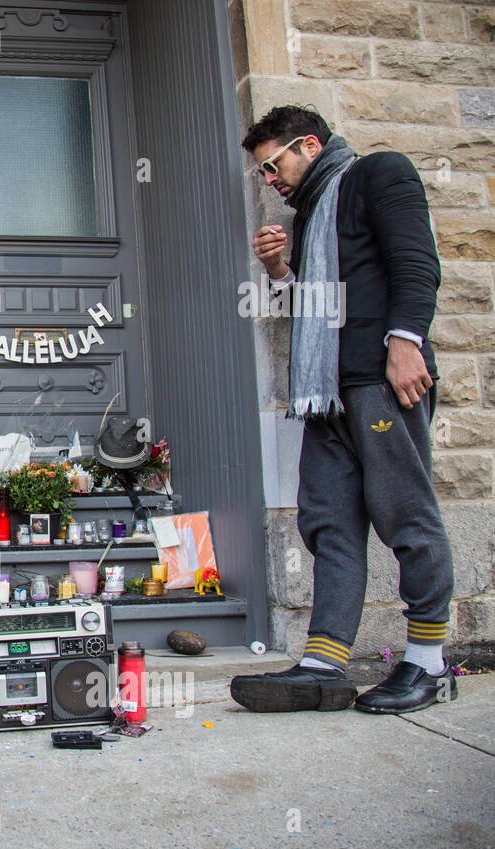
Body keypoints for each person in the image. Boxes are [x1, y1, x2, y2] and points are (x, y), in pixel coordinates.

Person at [230, 106, 456, 716]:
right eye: (265, 174)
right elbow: (316, 302)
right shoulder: (309, 218)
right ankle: (323, 666)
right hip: (325, 394)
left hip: (381, 381)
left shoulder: (380, 174)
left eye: (274, 166)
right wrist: (279, 267)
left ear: (308, 144)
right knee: (328, 522)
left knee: (405, 516)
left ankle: (429, 664)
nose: (271, 181)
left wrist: (405, 343)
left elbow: (416, 263)